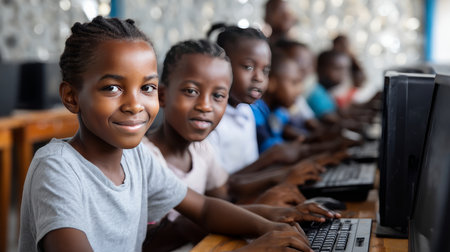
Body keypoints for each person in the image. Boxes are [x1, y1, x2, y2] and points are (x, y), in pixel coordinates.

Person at [18, 16, 315, 252]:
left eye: (146, 87)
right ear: (71, 97)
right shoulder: (57, 167)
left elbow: (206, 208)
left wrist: (272, 223)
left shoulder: (135, 159)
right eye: (112, 87)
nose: (135, 104)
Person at [143, 39, 340, 251]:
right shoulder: (144, 157)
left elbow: (218, 202)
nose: (205, 106)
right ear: (162, 96)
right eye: (191, 91)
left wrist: (272, 214)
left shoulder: (200, 150)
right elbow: (187, 224)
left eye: (218, 95)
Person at [206, 24, 324, 203]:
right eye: (248, 67)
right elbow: (218, 189)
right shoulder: (208, 121)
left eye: (265, 70)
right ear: (219, 65)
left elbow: (249, 175)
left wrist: (287, 172)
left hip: (248, 202)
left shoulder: (247, 110)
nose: (259, 78)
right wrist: (272, 160)